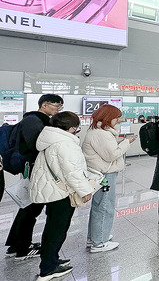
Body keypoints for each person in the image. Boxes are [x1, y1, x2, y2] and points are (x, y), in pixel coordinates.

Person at [29, 112, 94, 281]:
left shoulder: (50, 138)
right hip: (60, 192)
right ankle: (48, 269)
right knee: (57, 230)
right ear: (72, 127)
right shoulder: (65, 143)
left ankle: (52, 259)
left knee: (53, 228)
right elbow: (72, 172)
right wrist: (85, 191)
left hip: (51, 190)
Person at [5, 94, 63, 260]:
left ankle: (16, 245)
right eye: (56, 105)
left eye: (60, 106)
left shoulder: (37, 120)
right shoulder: (34, 121)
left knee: (28, 207)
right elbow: (37, 145)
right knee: (31, 209)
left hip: (36, 168)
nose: (58, 109)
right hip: (35, 169)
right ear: (44, 104)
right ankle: (22, 248)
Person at [82, 105, 135, 253]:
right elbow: (112, 154)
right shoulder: (101, 134)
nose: (118, 121)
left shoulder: (99, 130)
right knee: (105, 206)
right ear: (107, 118)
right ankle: (99, 242)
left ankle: (95, 237)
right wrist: (127, 142)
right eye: (116, 118)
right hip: (105, 173)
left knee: (99, 206)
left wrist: (118, 121)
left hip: (100, 171)